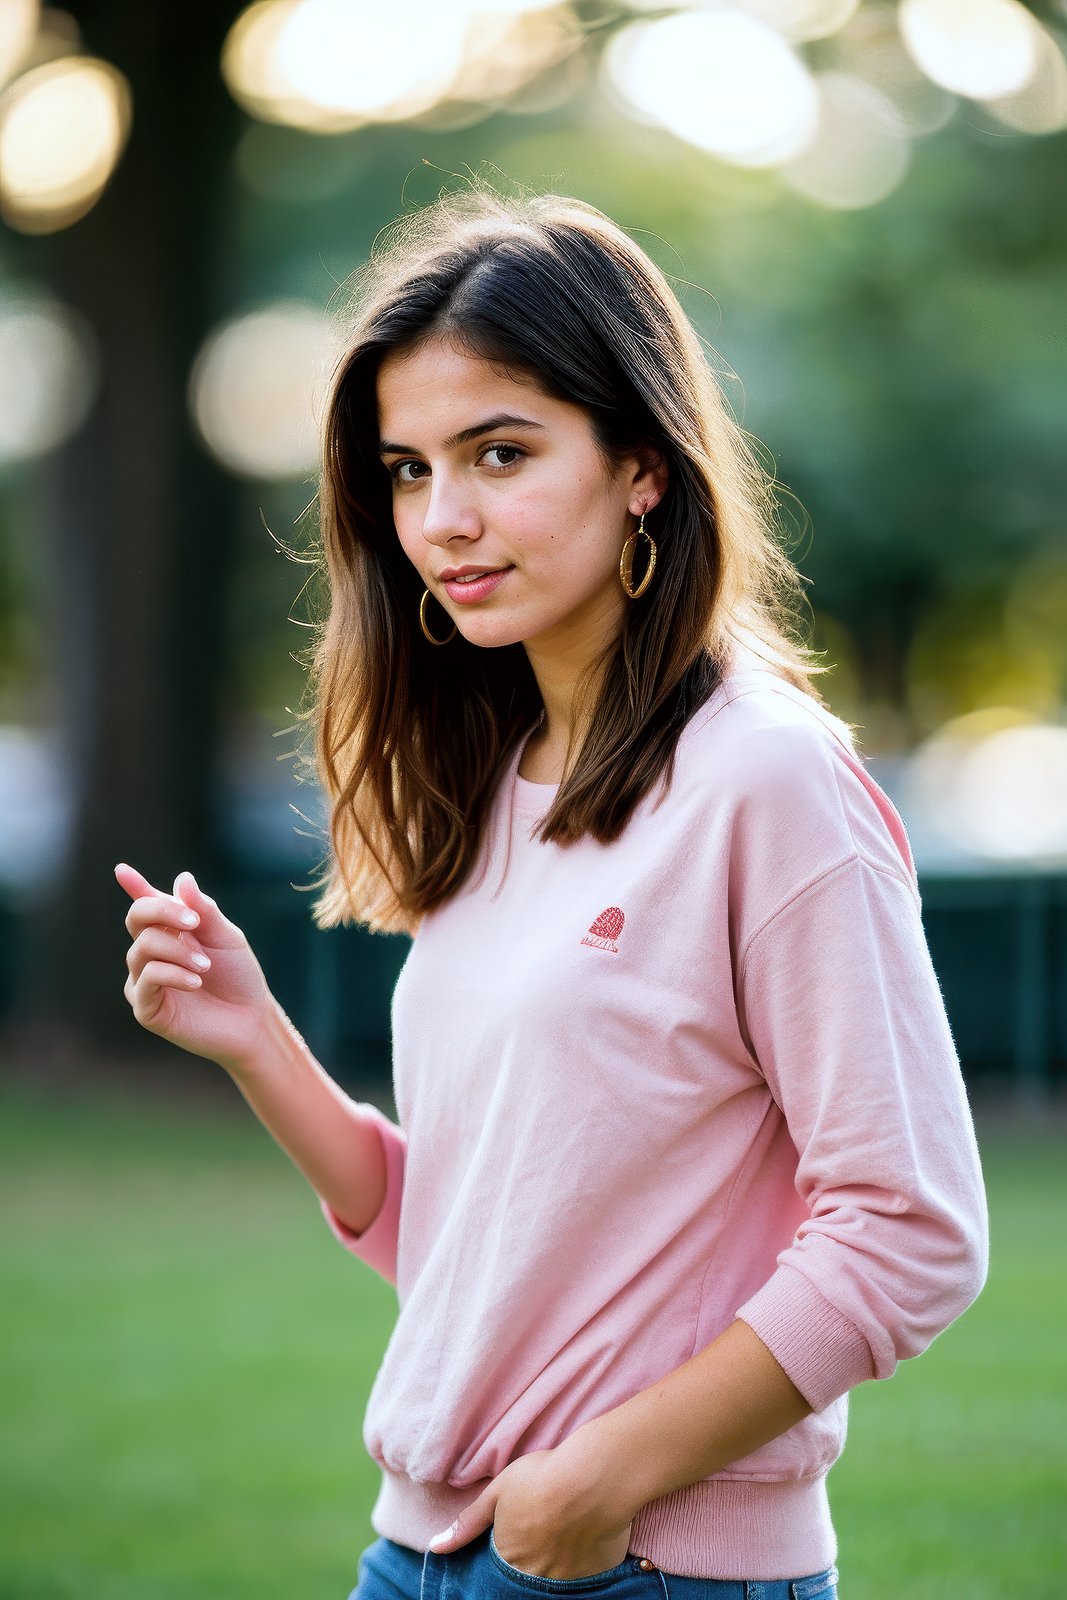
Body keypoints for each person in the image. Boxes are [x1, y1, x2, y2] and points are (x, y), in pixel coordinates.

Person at [116, 185, 989, 1600]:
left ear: (642, 465)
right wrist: (255, 1042)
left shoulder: (768, 782)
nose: (443, 520)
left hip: (636, 1565)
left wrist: (603, 1482)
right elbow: (472, 1242)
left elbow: (912, 1226)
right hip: (417, 1554)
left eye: (499, 453)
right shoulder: (502, 777)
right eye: (407, 471)